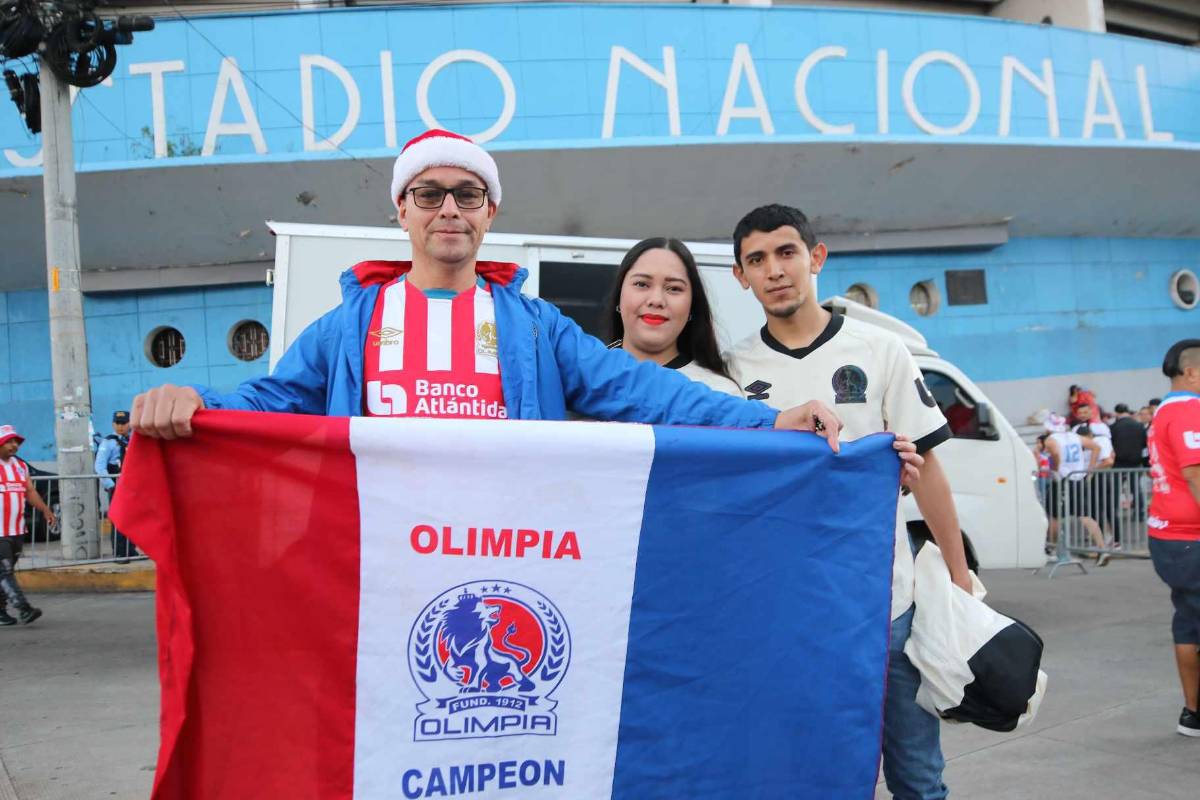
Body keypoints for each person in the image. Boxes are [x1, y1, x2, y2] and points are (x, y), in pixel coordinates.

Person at [134, 132, 921, 479]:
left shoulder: (535, 326)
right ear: (401, 212)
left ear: (489, 213)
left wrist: (767, 419)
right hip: (378, 553)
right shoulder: (352, 325)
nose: (450, 208)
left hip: (511, 545)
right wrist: (192, 400)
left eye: (467, 193)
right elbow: (272, 399)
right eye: (430, 193)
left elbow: (643, 391)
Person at [721, 204, 969, 800]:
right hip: (786, 614)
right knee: (811, 774)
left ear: (816, 257)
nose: (775, 270)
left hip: (887, 606)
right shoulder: (733, 368)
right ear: (740, 277)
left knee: (917, 775)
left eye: (786, 253)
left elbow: (926, 469)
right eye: (757, 260)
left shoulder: (882, 351)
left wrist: (960, 579)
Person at [604, 237, 742, 395]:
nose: (656, 300)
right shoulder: (583, 375)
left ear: (692, 306)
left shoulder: (718, 392)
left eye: (674, 288)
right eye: (641, 284)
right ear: (619, 296)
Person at [1146, 339, 1200, 737]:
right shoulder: (1188, 410)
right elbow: (1196, 473)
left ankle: (1192, 714)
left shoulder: (1164, 410)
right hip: (1190, 537)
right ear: (1191, 372)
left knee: (1189, 622)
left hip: (1168, 535)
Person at [0, 425, 55, 625]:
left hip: (17, 530)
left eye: (16, 442)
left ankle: (0, 611)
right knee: (4, 571)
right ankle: (24, 609)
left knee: (6, 573)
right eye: (9, 442)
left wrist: (45, 509)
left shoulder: (19, 466)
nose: (14, 445)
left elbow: (29, 491)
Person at [1043, 416, 1107, 563]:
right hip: (1077, 478)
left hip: (1062, 479)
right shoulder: (1075, 436)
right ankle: (1102, 548)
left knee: (1054, 515)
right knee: (1084, 515)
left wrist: (1056, 468)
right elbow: (1096, 447)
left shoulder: (1051, 440)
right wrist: (1089, 469)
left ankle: (1052, 548)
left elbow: (1056, 455)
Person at [95, 411, 135, 560]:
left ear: (129, 423)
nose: (120, 426)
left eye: (123, 423)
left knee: (131, 519)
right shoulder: (108, 442)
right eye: (117, 423)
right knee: (118, 519)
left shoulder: (133, 440)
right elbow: (99, 466)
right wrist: (110, 485)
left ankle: (130, 550)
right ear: (113, 424)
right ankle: (119, 553)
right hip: (116, 486)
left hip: (132, 487)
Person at [1111, 402, 1149, 545]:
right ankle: (1139, 513)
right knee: (1136, 488)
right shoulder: (1139, 426)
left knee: (1115, 489)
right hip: (1135, 462)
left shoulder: (1114, 427)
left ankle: (1113, 510)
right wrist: (1145, 462)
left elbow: (1112, 444)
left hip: (1119, 462)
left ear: (1117, 413)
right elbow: (1145, 445)